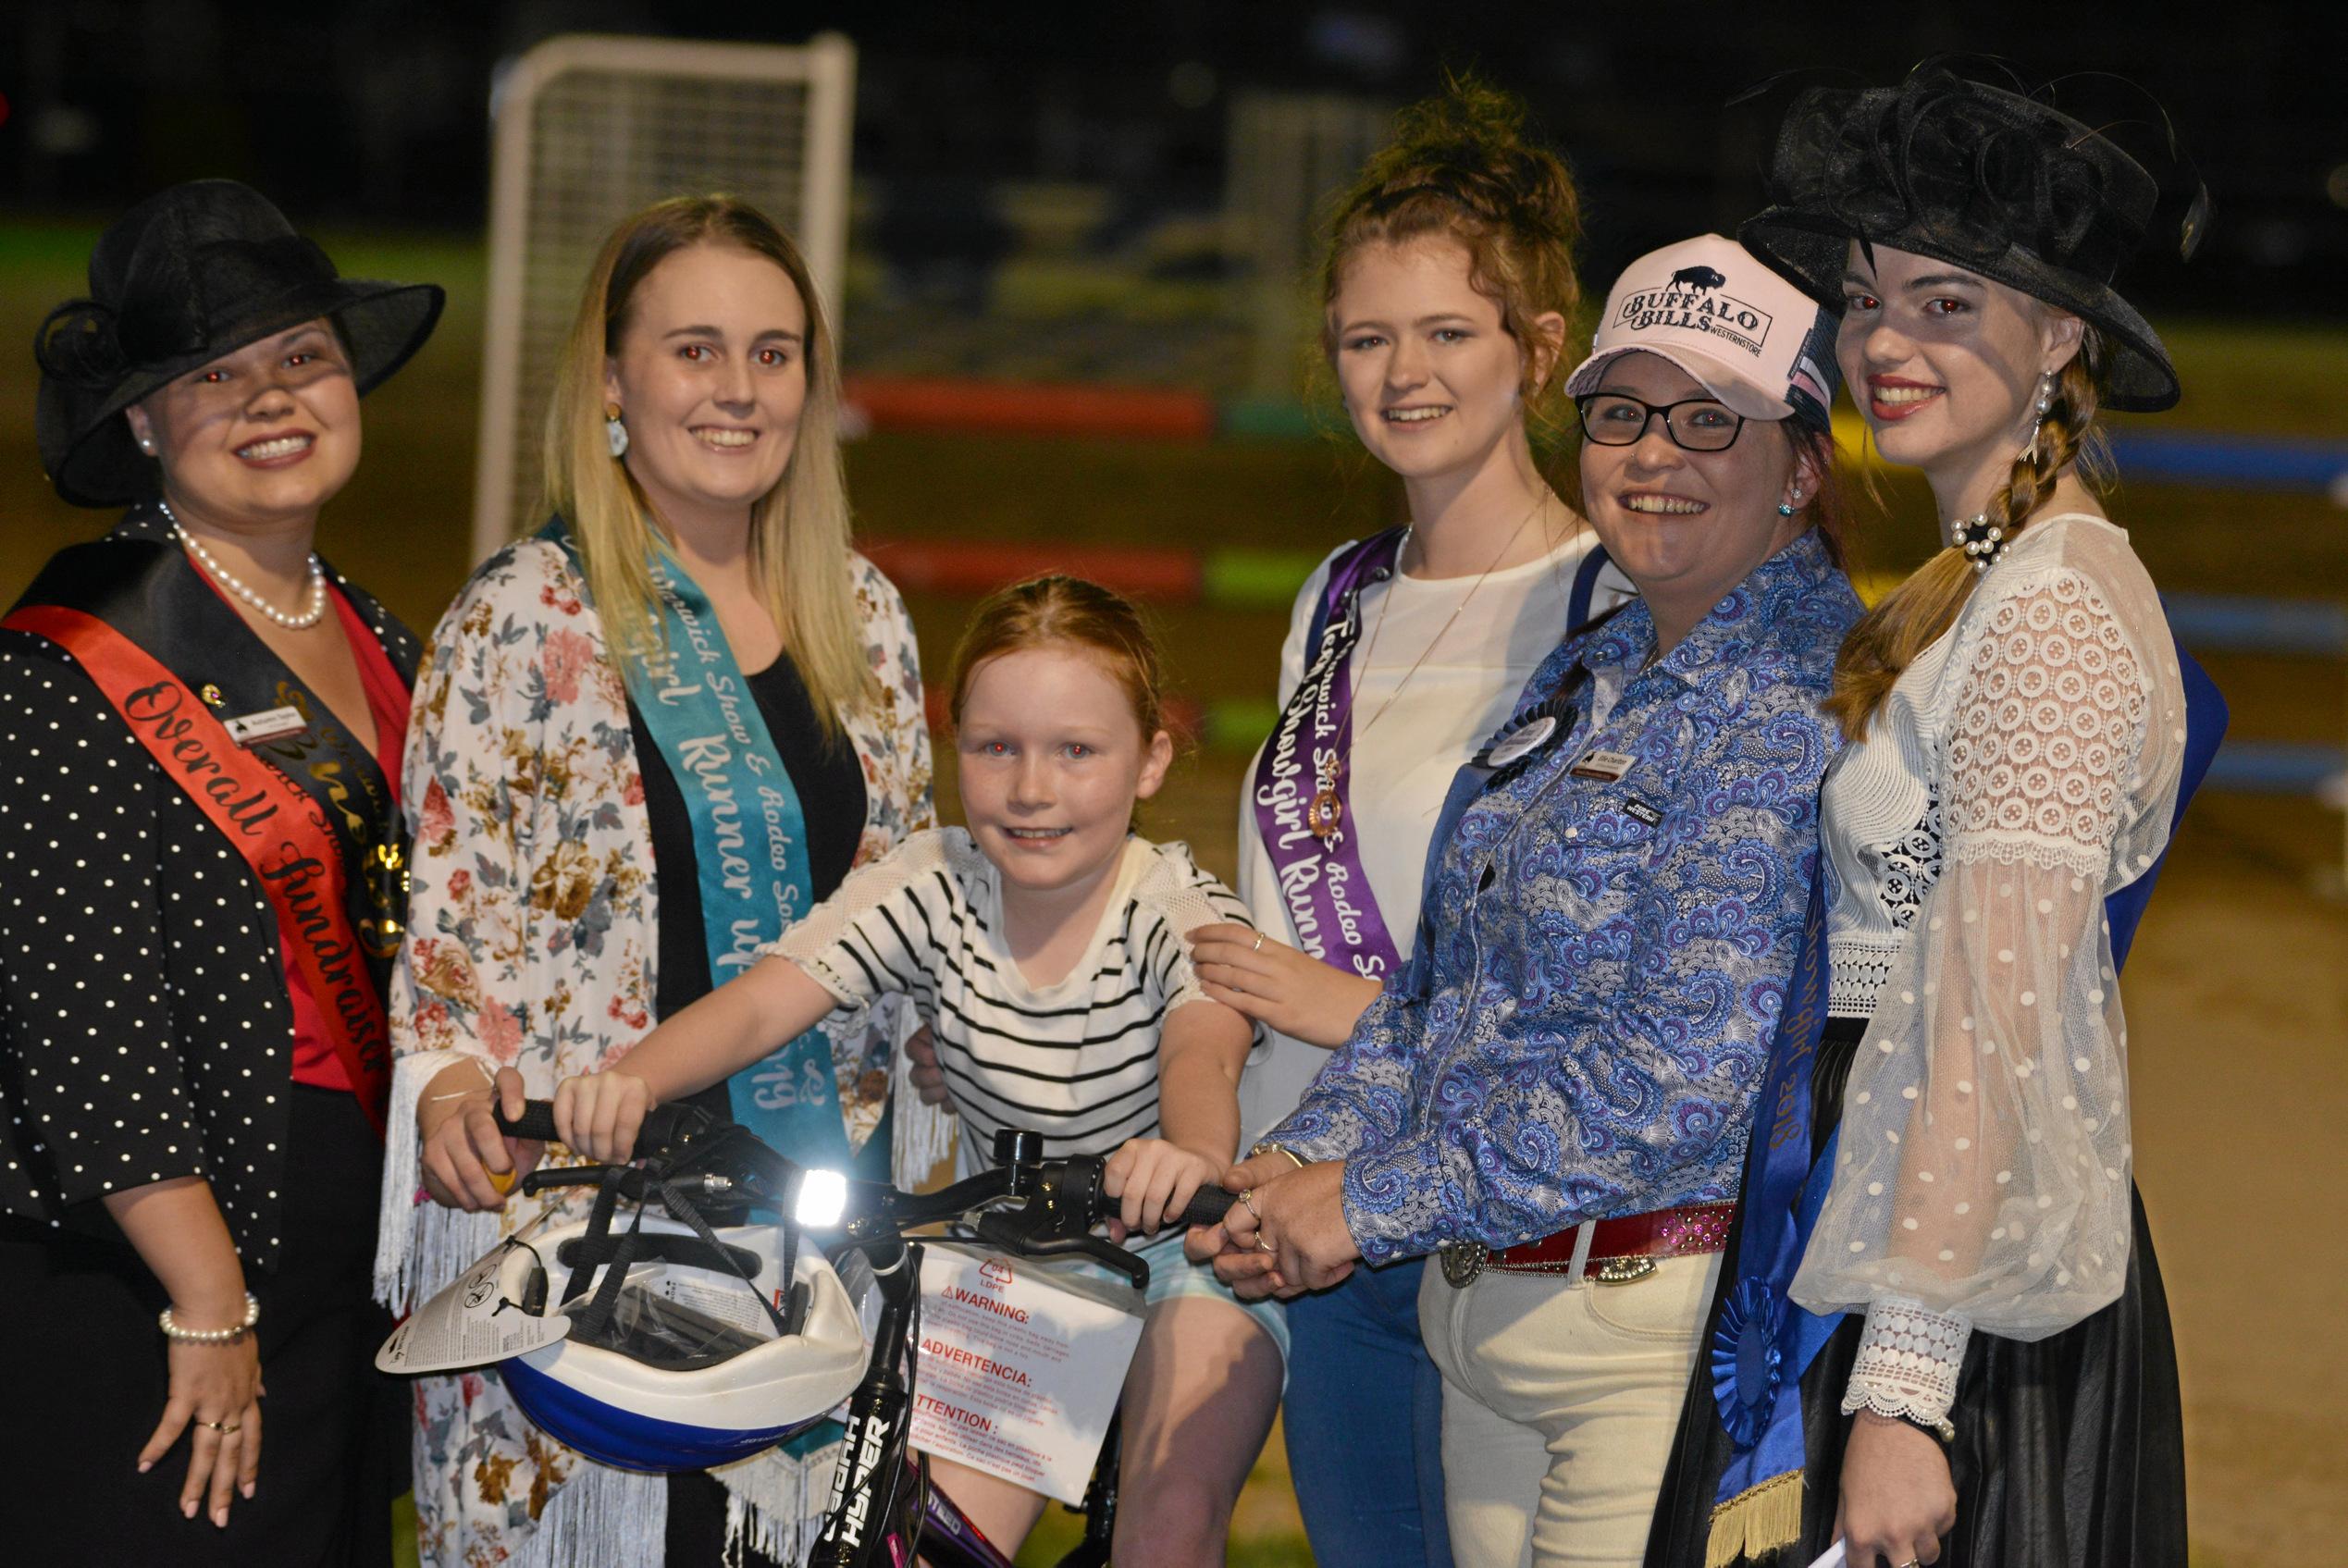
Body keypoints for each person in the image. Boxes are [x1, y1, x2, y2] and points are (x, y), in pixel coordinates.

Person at [1201, 233, 1863, 1567]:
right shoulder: (1594, 668)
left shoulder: (1790, 701)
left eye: (1706, 419)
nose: (1650, 451)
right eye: (1619, 412)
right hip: (1500, 1321)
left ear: (1797, 463)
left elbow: (1677, 1075)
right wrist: (1296, 1153)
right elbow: (1450, 996)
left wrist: (1368, 1198)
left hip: (1648, 1344)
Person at [1641, 69, 2205, 1568]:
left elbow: (1990, 1019)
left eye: (1947, 304)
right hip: (1858, 1209)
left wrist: (1900, 1394)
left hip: (1948, 1301)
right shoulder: (1970, 580)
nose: (1884, 341)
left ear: (2059, 334)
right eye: (1866, 298)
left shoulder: (2054, 614)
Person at [375, 195, 942, 1568]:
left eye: (772, 351)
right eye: (694, 350)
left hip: (814, 1253)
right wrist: (451, 1083)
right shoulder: (522, 615)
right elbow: (450, 928)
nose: (737, 390)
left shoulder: (859, 617)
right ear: (614, 380)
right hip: (581, 1249)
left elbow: (913, 914)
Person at [556, 574, 1290, 1568]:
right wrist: (630, 1084)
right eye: (997, 748)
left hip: (1188, 1252)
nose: (1033, 788)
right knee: (921, 1541)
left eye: (1077, 751)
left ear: (1151, 759)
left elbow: (1204, 1042)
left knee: (1168, 1522)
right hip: (1033, 1254)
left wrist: (1190, 1155)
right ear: (958, 751)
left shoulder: (1171, 908)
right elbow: (770, 999)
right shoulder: (934, 882)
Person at [1157, 81, 1631, 1568]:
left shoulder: (1609, 608)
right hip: (1289, 1212)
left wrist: (1348, 1008)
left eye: (1446, 333)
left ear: (1538, 352)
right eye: (1366, 338)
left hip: (1463, 1221)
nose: (1401, 371)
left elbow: (1602, 999)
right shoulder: (1336, 594)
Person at [0, 179, 442, 1563]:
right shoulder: (64, 660)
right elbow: (83, 1018)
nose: (272, 399)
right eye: (213, 375)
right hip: (148, 1274)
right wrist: (207, 1298)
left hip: (338, 1263)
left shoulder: (380, 631)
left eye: (300, 356)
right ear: (141, 422)